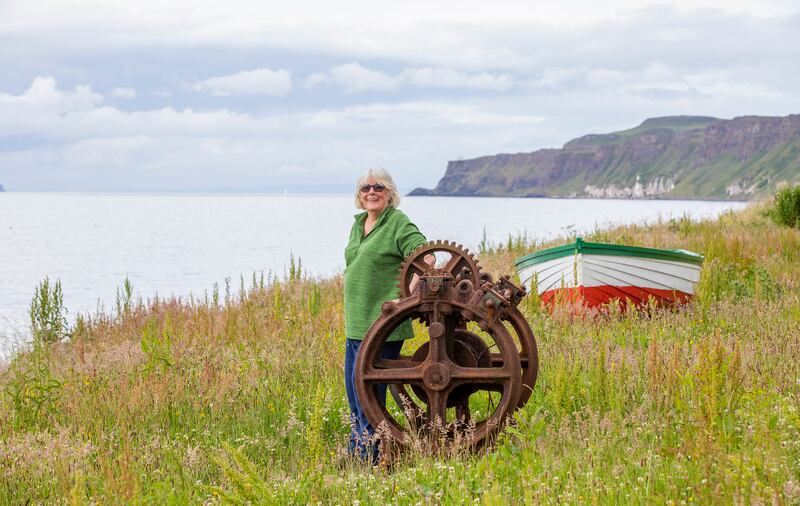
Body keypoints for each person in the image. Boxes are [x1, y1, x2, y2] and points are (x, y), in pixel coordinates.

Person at [343, 168, 429, 463]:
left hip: (382, 328)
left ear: (389, 192)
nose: (371, 192)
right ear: (359, 194)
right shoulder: (359, 224)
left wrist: (405, 297)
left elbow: (425, 257)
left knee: (368, 398)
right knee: (355, 396)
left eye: (378, 187)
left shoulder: (397, 223)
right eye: (365, 188)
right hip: (356, 324)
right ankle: (357, 453)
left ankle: (372, 457)